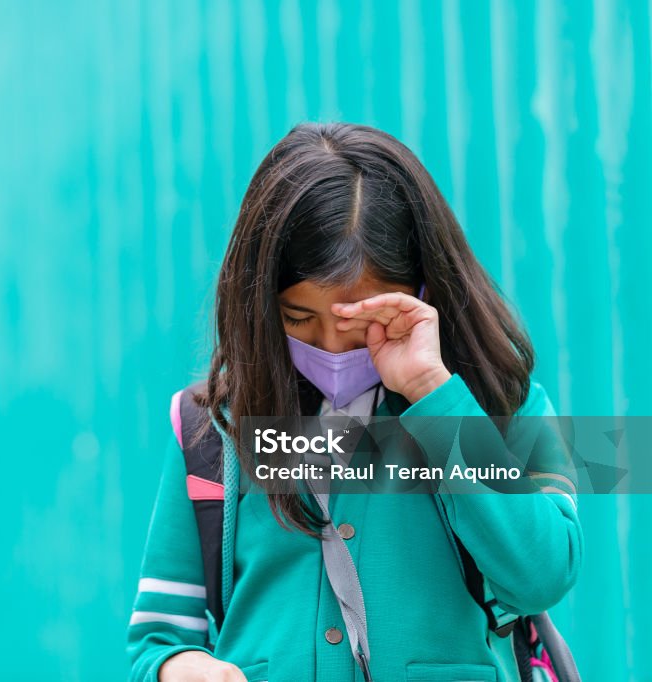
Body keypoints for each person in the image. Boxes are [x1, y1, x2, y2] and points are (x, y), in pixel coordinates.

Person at [125, 122, 583, 681]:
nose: (333, 347)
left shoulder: (500, 402)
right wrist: (182, 669)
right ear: (259, 302)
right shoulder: (209, 428)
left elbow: (543, 574)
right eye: (299, 320)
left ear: (424, 288)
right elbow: (156, 639)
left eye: (362, 320)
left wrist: (434, 396)